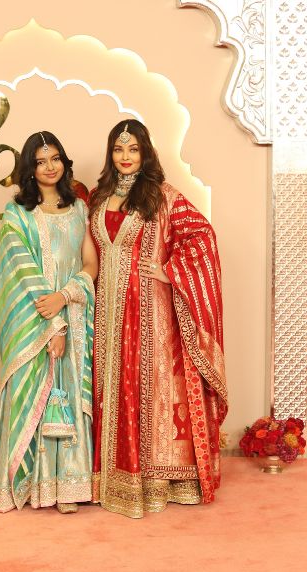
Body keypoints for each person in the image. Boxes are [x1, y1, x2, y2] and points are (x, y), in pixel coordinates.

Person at [88, 119, 228, 518]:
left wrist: (170, 270)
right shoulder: (98, 197)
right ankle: (110, 477)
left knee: (147, 384)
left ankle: (155, 480)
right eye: (119, 149)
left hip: (150, 309)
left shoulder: (162, 196)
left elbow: (202, 236)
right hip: (105, 310)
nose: (125, 156)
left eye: (133, 149)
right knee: (108, 384)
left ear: (145, 152)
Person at [0, 131, 98, 514]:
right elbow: (19, 272)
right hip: (34, 322)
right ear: (29, 169)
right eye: (40, 161)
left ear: (64, 162)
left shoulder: (80, 209)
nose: (50, 167)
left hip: (74, 316)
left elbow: (90, 265)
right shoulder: (17, 214)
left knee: (68, 397)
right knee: (36, 393)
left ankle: (67, 488)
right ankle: (33, 487)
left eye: (55, 159)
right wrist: (52, 325)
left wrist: (65, 299)